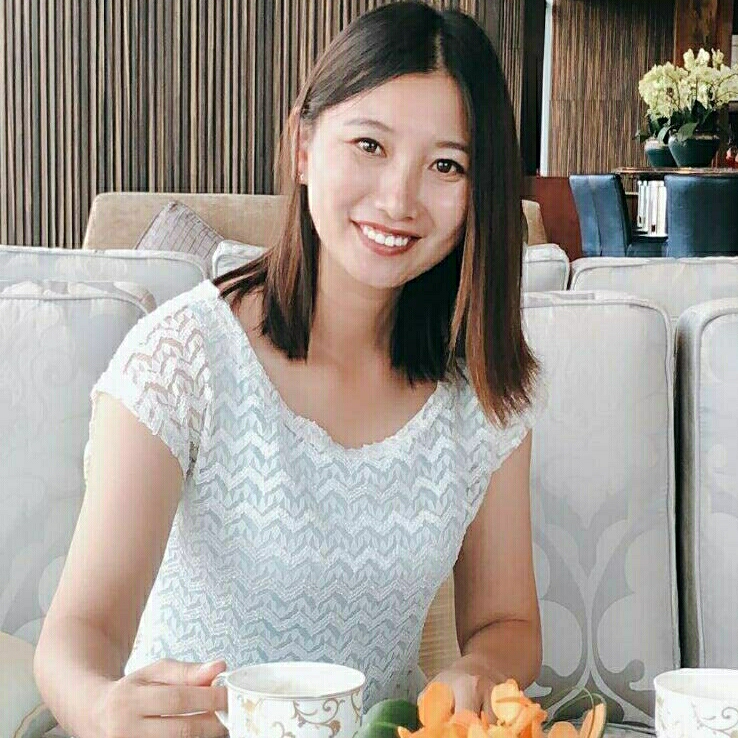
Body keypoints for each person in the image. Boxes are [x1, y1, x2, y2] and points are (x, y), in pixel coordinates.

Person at [34, 2, 547, 737]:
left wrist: (481, 671)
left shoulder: (483, 392)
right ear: (304, 146)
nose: (398, 198)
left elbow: (506, 622)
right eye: (370, 144)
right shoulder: (181, 357)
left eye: (446, 165)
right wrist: (102, 710)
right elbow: (78, 635)